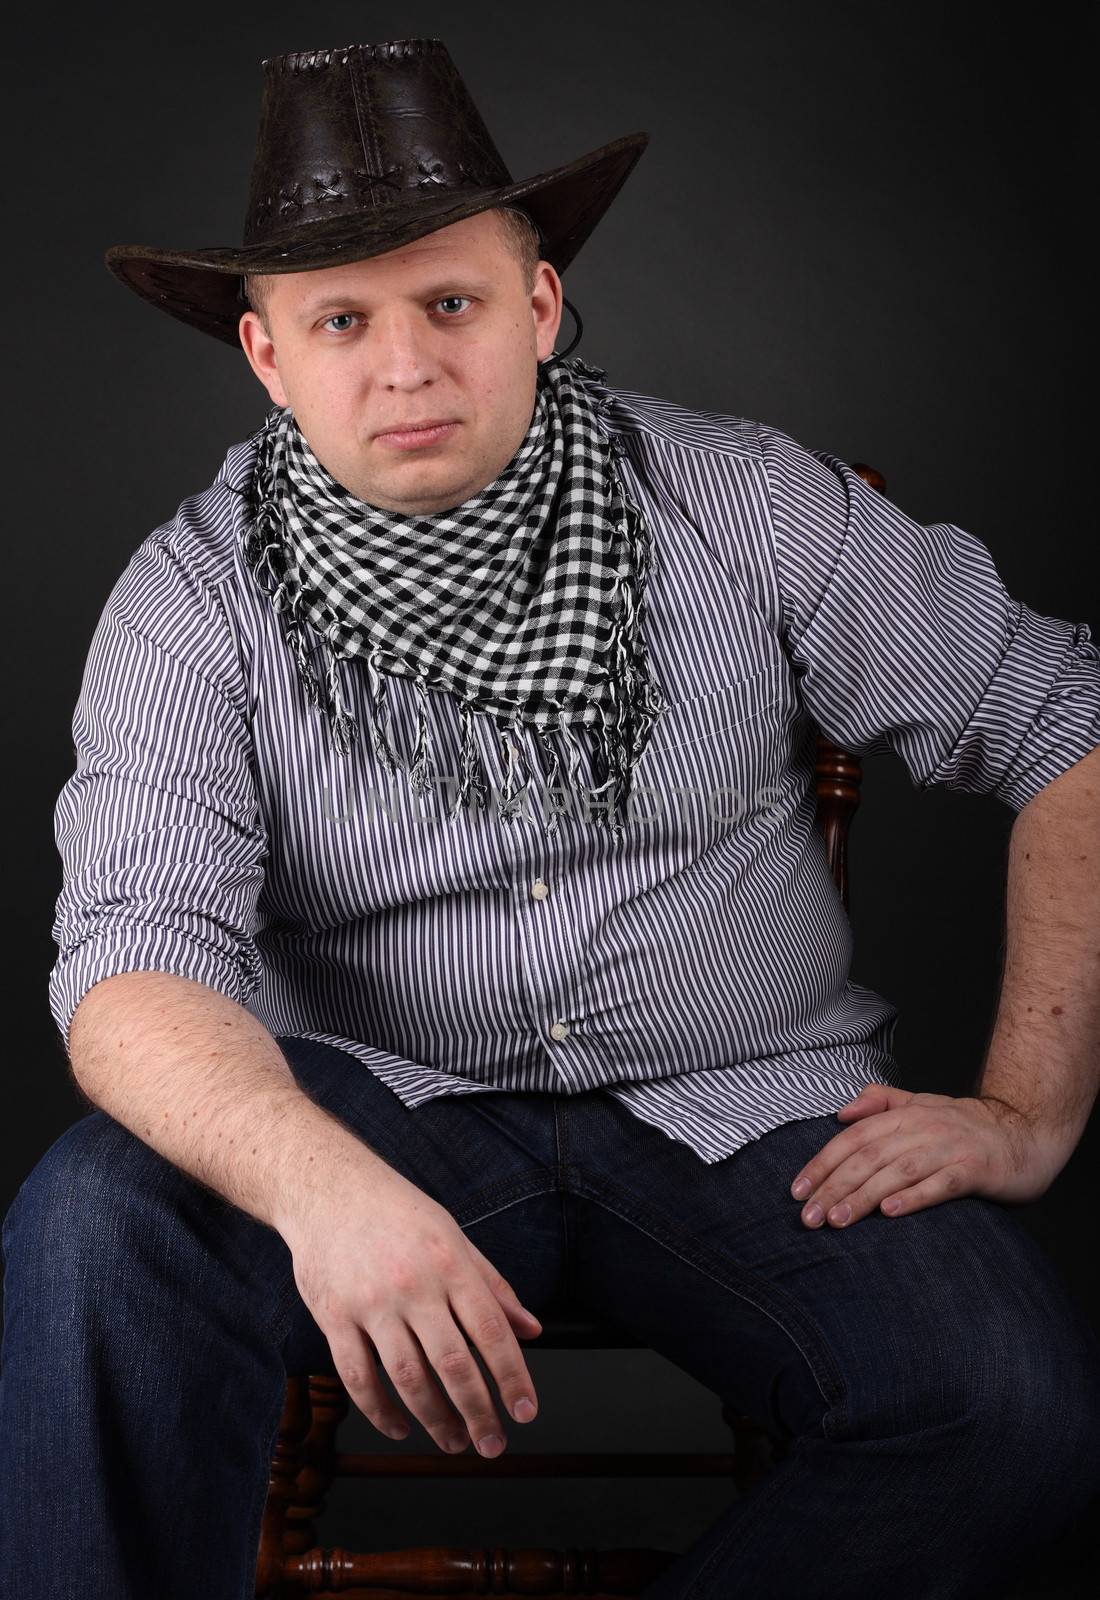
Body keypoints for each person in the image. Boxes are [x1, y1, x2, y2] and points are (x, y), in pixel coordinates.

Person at [2, 35, 1098, 1600]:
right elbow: (129, 972)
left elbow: (1069, 719)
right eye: (341, 322)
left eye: (450, 303)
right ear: (266, 357)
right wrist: (322, 1186)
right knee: (94, 1235)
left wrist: (1027, 1109)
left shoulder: (744, 503)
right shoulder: (192, 600)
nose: (405, 366)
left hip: (752, 1115)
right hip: (380, 1113)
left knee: (1015, 1410)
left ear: (537, 306)